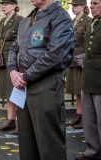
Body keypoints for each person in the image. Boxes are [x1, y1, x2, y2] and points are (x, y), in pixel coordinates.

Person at [7, 0, 75, 159]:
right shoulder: (28, 19)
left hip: (45, 85)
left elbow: (55, 55)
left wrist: (27, 76)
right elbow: (14, 48)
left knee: (49, 142)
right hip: (24, 86)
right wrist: (12, 71)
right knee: (27, 141)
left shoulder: (61, 18)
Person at [75, 0, 101, 159]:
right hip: (88, 75)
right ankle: (93, 151)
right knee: (90, 118)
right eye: (91, 3)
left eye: (96, 3)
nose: (92, 6)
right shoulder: (92, 23)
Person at [0, 0, 24, 135]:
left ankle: (22, 123)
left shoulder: (20, 21)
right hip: (4, 60)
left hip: (14, 61)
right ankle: (11, 120)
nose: (3, 7)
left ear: (14, 6)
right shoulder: (3, 21)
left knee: (18, 91)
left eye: (6, 4)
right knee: (8, 92)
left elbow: (22, 42)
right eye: (2, 5)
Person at [66, 0, 91, 130]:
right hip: (72, 59)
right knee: (76, 89)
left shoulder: (88, 20)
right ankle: (78, 115)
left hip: (81, 60)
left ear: (83, 6)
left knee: (82, 89)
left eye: (76, 5)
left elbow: (88, 42)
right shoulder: (73, 20)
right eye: (72, 6)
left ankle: (84, 117)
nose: (73, 8)